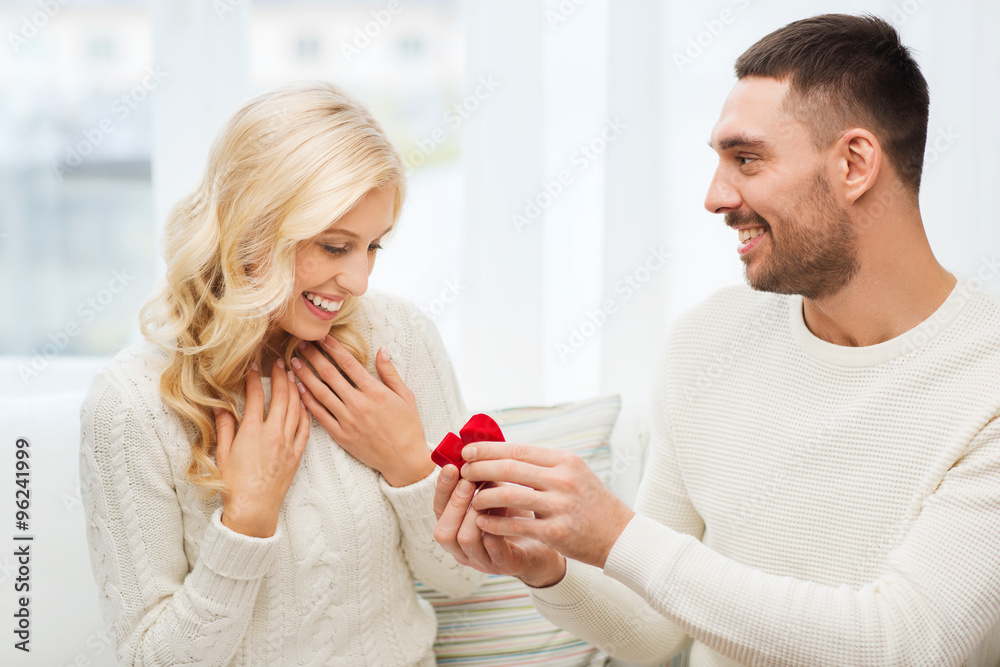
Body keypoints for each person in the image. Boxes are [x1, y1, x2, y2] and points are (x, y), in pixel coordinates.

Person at [433, 14, 1000, 667]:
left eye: (747, 159)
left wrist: (617, 533)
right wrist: (548, 568)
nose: (715, 196)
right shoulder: (711, 339)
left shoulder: (983, 379)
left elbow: (900, 642)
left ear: (853, 163)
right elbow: (655, 632)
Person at [79, 81, 483, 666]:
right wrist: (247, 519)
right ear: (251, 231)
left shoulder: (400, 338)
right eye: (334, 246)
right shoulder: (132, 404)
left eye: (374, 247)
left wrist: (408, 464)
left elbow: (464, 580)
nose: (359, 282)